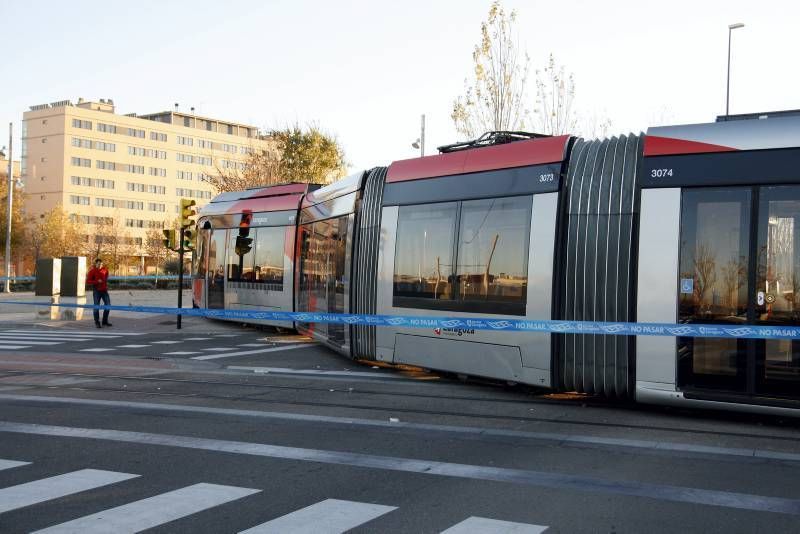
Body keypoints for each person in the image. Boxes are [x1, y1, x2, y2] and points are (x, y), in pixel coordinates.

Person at [86, 258, 112, 328]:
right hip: (96, 291)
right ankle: (97, 322)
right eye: (98, 264)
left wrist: (105, 286)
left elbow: (105, 279)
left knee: (108, 305)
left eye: (101, 264)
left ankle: (104, 321)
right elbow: (88, 281)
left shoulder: (105, 270)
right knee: (96, 306)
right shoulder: (92, 271)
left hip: (104, 290)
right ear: (96, 264)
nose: (100, 265)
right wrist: (97, 281)